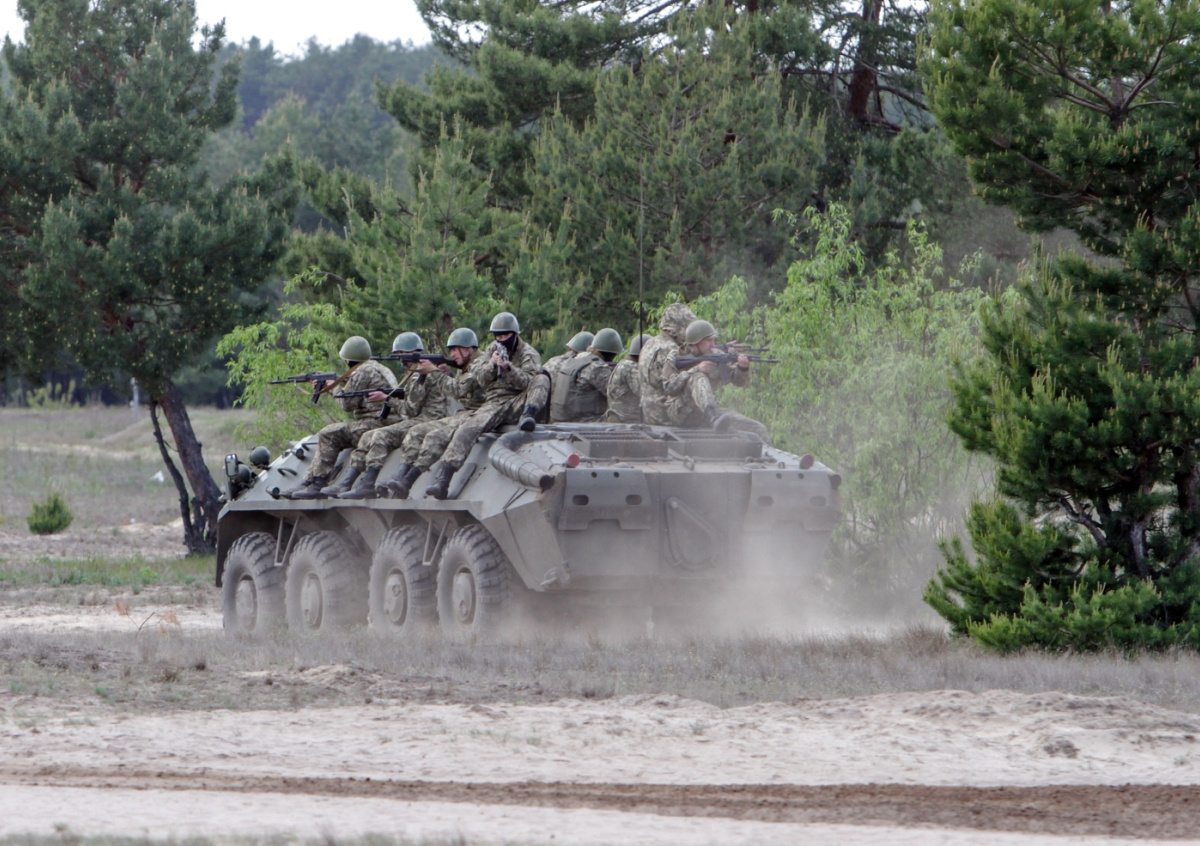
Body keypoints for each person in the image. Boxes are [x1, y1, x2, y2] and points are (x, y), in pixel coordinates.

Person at [423, 311, 542, 499]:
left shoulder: (528, 353)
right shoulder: (491, 350)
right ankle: (444, 479)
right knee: (467, 429)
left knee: (542, 379)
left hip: (519, 400)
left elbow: (529, 382)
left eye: (505, 335)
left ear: (514, 334)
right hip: (494, 400)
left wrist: (508, 368)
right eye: (498, 336)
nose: (501, 339)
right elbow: (480, 378)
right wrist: (492, 364)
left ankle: (529, 415)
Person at [336, 332, 453, 499]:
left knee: (381, 435)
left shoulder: (421, 373)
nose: (399, 360)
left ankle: (374, 483)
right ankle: (354, 482)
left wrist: (387, 399)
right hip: (422, 418)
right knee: (369, 436)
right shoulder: (417, 372)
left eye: (401, 355)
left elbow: (410, 409)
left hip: (428, 419)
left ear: (412, 354)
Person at [281, 336, 398, 500]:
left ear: (348, 358)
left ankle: (317, 483)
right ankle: (308, 481)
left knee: (329, 433)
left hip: (377, 423)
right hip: (389, 421)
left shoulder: (363, 371)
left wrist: (333, 387)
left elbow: (347, 404)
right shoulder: (378, 368)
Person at [378, 327, 485, 499]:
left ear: (468, 348)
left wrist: (433, 371)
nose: (452, 354)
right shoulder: (464, 366)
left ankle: (415, 480)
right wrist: (448, 374)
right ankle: (402, 478)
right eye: (450, 350)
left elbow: (458, 390)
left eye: (455, 350)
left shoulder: (480, 364)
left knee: (435, 436)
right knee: (417, 432)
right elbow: (460, 391)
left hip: (479, 413)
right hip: (463, 413)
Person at [659, 319, 772, 443]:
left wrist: (742, 368)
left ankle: (767, 454)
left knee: (758, 429)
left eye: (713, 340)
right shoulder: (676, 356)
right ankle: (711, 415)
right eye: (709, 340)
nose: (713, 344)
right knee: (698, 377)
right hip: (681, 412)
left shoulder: (716, 355)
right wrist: (695, 369)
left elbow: (738, 381)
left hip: (709, 417)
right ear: (696, 342)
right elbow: (668, 387)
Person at [639, 303, 698, 426]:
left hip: (649, 414)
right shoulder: (671, 349)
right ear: (677, 329)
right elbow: (675, 385)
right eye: (687, 328)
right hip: (666, 416)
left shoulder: (650, 343)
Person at [550, 328, 622, 423]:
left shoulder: (574, 359)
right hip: (585, 422)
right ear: (613, 354)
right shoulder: (597, 367)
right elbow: (617, 394)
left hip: (559, 419)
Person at [605, 333, 649, 423]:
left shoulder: (623, 364)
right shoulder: (631, 368)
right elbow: (643, 393)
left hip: (618, 417)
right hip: (626, 420)